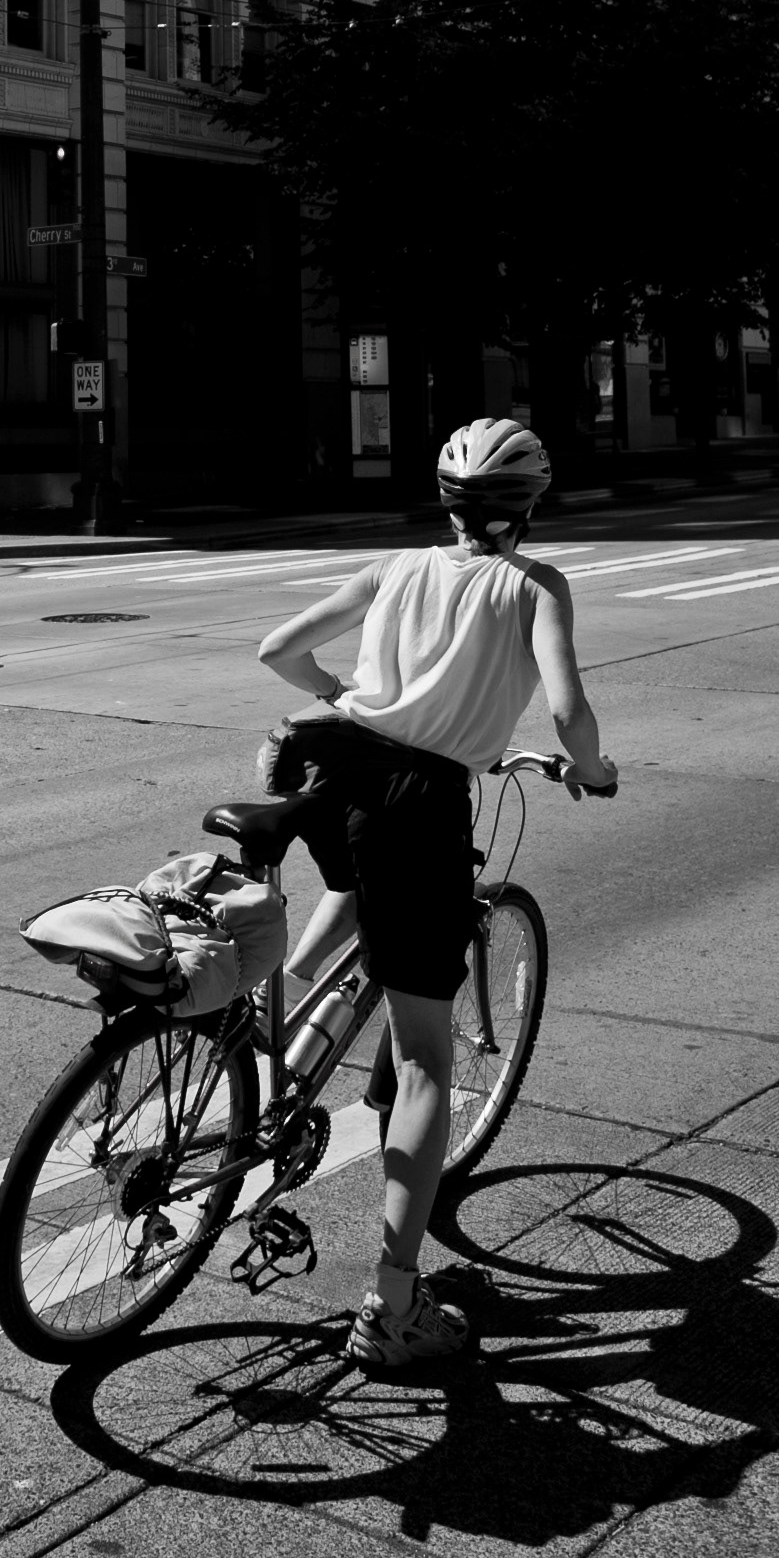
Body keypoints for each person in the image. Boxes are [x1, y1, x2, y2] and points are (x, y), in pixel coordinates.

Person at [254, 417, 618, 1372]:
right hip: (418, 803)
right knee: (424, 1062)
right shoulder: (534, 584)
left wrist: (341, 692)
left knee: (353, 892)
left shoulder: (394, 569)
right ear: (528, 506)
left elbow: (278, 649)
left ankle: (272, 1039)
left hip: (331, 769)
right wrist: (596, 771)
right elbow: (569, 710)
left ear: (447, 502)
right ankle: (394, 1305)